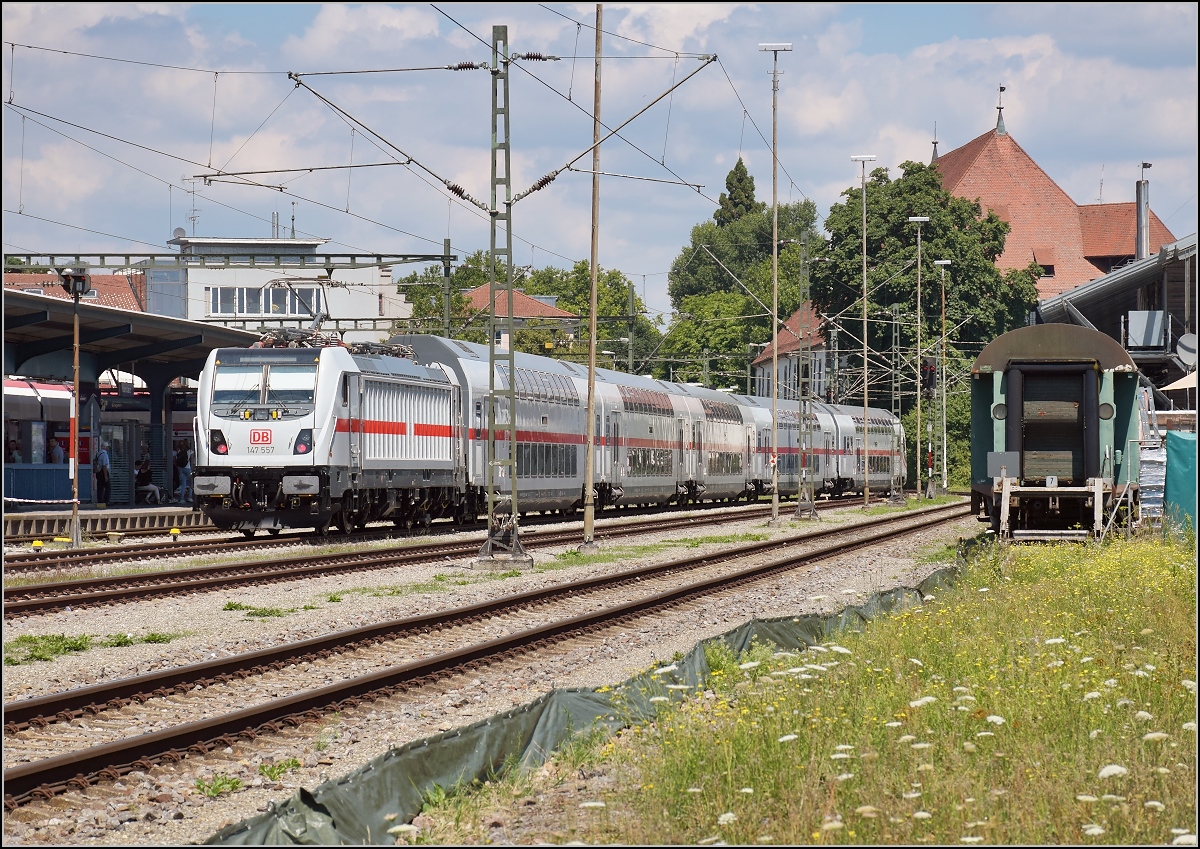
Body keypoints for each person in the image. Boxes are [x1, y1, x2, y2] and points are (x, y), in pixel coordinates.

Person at [94, 441, 112, 505]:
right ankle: (106, 501)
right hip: (103, 472)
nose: (108, 448)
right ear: (105, 447)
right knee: (108, 487)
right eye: (107, 447)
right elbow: (104, 465)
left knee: (100, 487)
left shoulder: (98, 453)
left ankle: (100, 501)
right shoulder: (105, 454)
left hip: (98, 472)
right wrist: (106, 476)